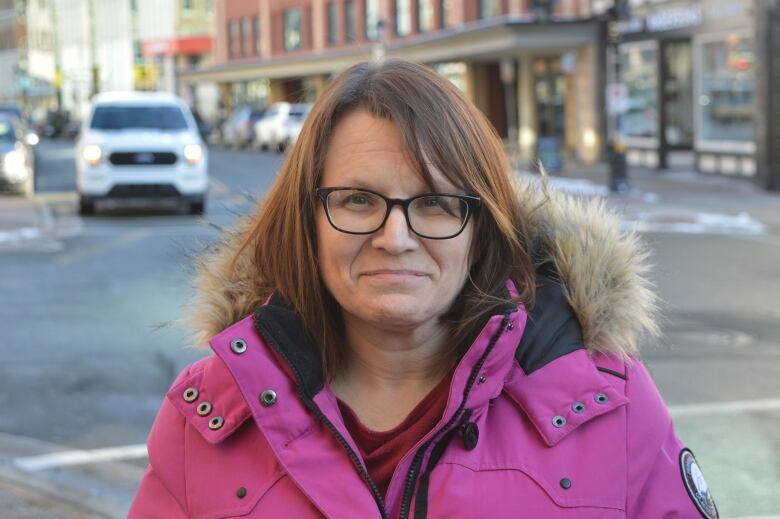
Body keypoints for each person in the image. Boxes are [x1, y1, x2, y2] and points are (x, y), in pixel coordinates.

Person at [129, 59, 718, 518]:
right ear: (306, 219)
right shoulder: (205, 415)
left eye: (435, 203)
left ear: (481, 227)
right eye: (358, 200)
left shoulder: (610, 404)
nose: (395, 236)